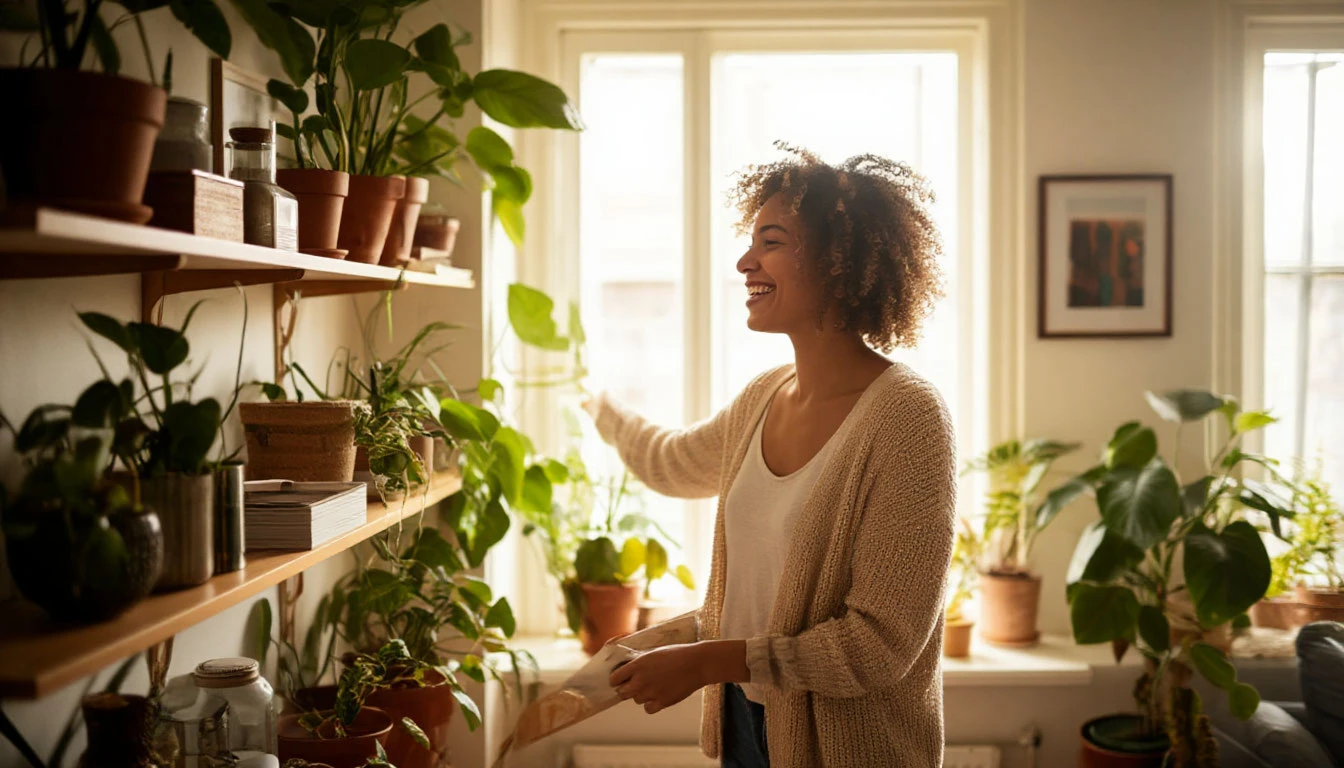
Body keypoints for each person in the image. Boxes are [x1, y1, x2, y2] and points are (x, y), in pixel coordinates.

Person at [588, 144, 957, 767]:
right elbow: (671, 462)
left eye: (772, 242)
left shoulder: (908, 420)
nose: (744, 262)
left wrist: (705, 662)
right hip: (745, 723)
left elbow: (878, 646)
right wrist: (599, 408)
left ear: (839, 263)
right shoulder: (764, 396)